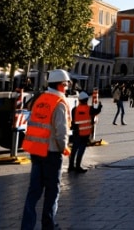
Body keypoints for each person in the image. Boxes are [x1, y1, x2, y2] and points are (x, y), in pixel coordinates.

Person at [21, 69, 72, 230]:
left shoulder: (40, 99)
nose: (67, 88)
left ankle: (26, 226)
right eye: (65, 85)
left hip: (36, 151)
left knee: (33, 192)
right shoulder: (59, 103)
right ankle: (48, 225)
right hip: (52, 153)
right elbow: (61, 131)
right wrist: (65, 149)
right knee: (52, 191)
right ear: (60, 85)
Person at [68, 91, 101, 172]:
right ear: (86, 100)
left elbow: (73, 120)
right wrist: (100, 106)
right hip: (85, 133)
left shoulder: (74, 109)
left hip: (76, 132)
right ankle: (78, 166)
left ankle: (71, 166)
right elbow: (97, 111)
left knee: (74, 149)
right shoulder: (90, 109)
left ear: (79, 100)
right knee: (81, 149)